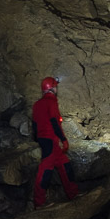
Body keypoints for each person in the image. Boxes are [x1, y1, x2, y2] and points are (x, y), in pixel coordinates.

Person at [31, 76, 78, 208]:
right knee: (45, 170)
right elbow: (54, 122)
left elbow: (34, 124)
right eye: (55, 86)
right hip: (51, 140)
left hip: (44, 140)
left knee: (65, 165)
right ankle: (39, 202)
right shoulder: (51, 102)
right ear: (51, 88)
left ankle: (73, 194)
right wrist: (63, 139)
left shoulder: (37, 104)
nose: (57, 88)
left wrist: (37, 138)